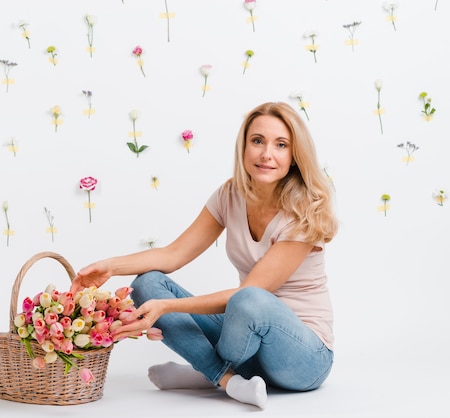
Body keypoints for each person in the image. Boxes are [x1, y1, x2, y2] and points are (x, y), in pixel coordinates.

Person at [70, 101, 339, 409]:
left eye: (281, 145)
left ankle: (206, 371)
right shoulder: (231, 194)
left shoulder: (303, 213)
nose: (267, 154)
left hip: (302, 359)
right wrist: (109, 267)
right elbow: (173, 255)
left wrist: (167, 307)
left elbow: (250, 294)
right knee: (146, 284)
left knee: (248, 300)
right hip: (245, 343)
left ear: (294, 157)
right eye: (257, 141)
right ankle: (227, 378)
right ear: (244, 147)